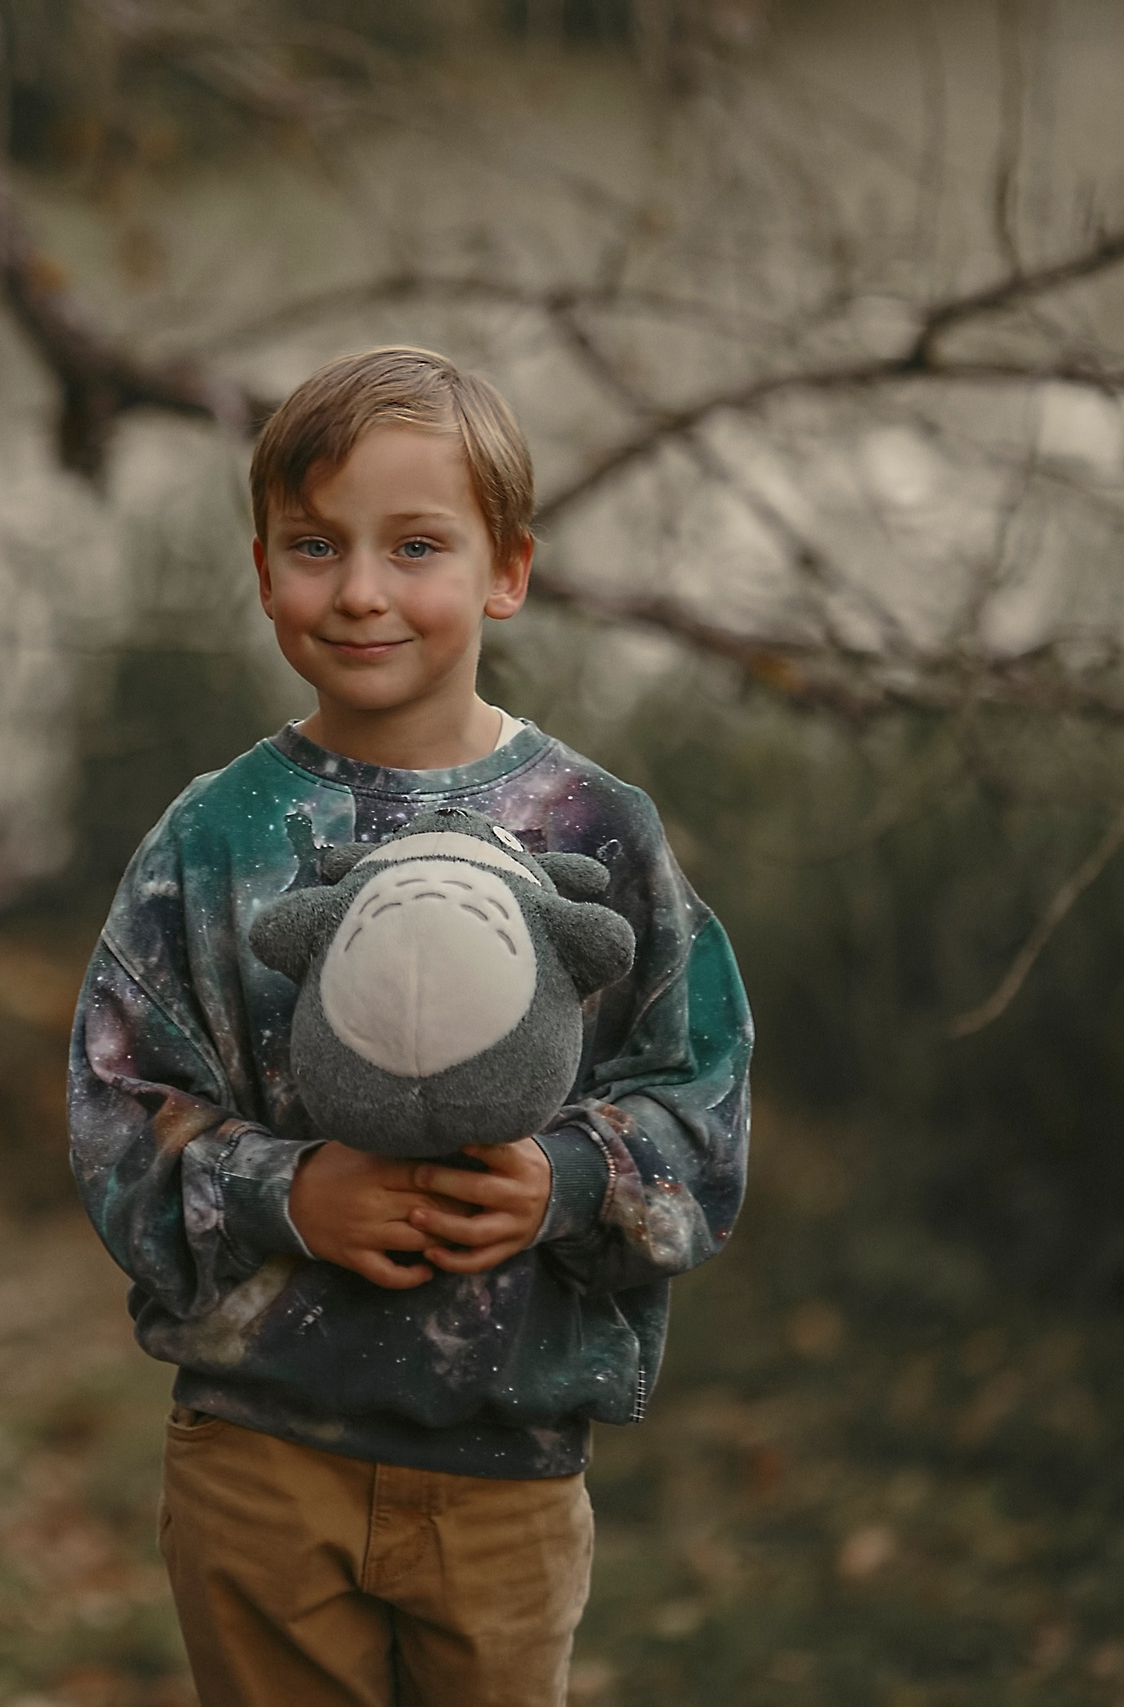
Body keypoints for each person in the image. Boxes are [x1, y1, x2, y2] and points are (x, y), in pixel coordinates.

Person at [67, 346, 754, 1707]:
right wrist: (290, 1193)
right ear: (263, 570)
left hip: (507, 1464)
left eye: (417, 545)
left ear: (508, 569)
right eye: (316, 545)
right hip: (259, 1456)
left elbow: (701, 1096)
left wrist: (570, 1179)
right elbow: (116, 1105)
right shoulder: (210, 842)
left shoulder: (598, 834)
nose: (363, 590)